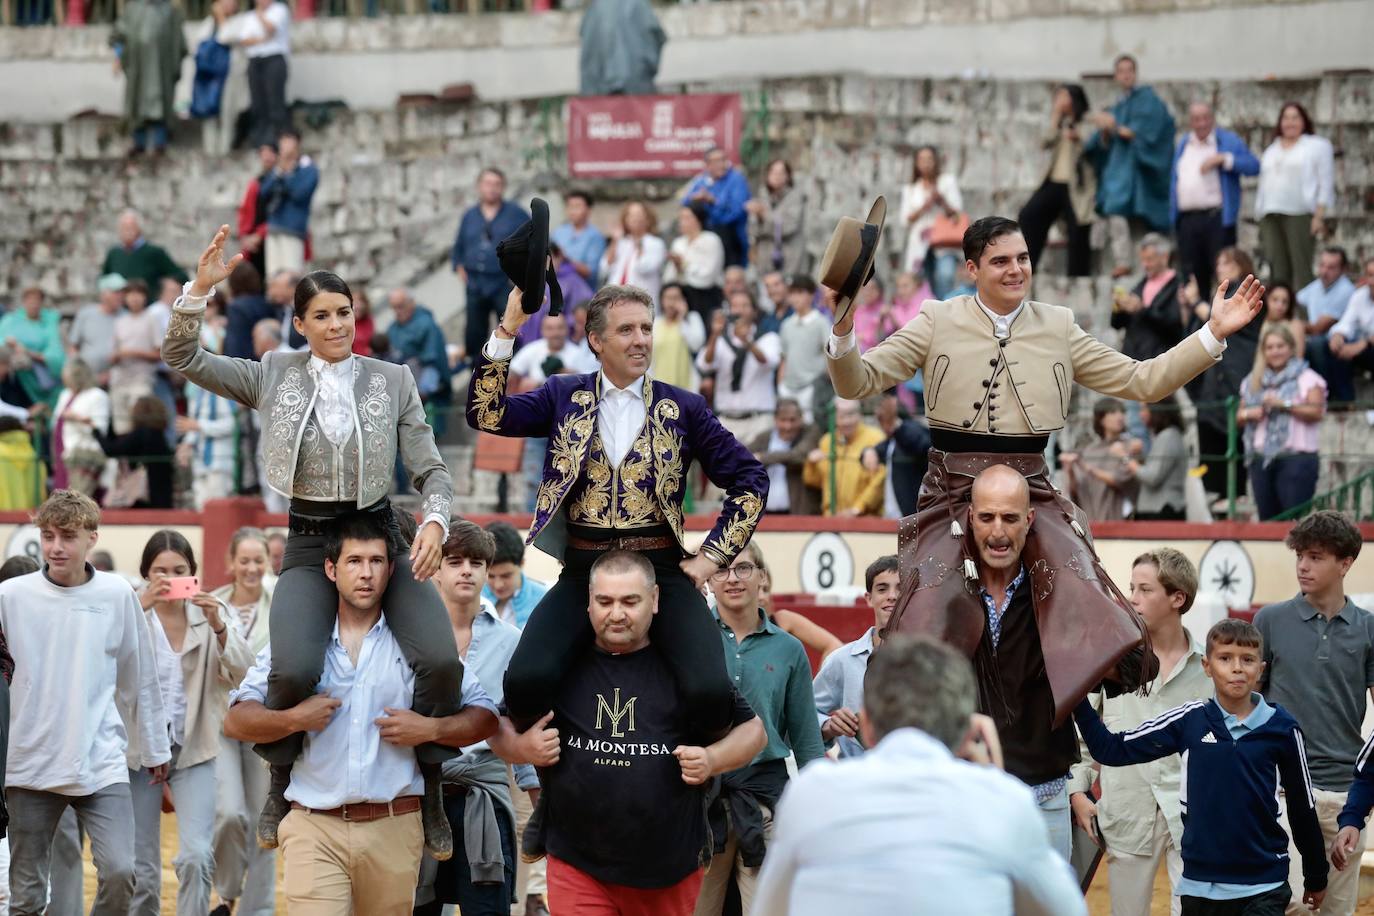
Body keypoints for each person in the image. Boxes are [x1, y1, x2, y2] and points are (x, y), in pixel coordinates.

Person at [164, 226, 465, 859]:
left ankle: (432, 783)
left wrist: (435, 520)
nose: (336, 325)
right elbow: (183, 358)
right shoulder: (272, 373)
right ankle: (280, 779)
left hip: (381, 533)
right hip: (307, 541)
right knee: (294, 667)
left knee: (438, 659)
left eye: (345, 312)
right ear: (299, 324)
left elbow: (432, 470)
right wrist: (199, 291)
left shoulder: (393, 378)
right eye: (322, 316)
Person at [467, 282, 768, 751]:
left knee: (711, 694)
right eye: (626, 330)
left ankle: (696, 777)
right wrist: (509, 326)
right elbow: (486, 414)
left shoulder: (684, 407)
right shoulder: (563, 396)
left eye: (646, 328)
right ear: (596, 340)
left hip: (662, 572)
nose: (641, 339)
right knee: (525, 684)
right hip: (584, 569)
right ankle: (569, 764)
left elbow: (750, 480)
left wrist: (711, 558)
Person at [224, 512, 499, 916]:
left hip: (394, 824)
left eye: (375, 562)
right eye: (354, 562)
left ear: (392, 569)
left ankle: (432, 799)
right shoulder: (302, 640)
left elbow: (486, 717)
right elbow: (235, 720)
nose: (366, 574)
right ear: (331, 569)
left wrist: (430, 728)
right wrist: (294, 719)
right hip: (313, 823)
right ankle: (276, 791)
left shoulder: (418, 643)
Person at [489, 550, 767, 916]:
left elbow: (755, 732)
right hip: (577, 865)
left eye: (629, 601)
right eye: (604, 601)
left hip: (669, 871)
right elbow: (496, 727)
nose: (616, 614)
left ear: (654, 601)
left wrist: (712, 759)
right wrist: (523, 748)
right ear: (587, 602)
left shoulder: (684, 668)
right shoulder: (559, 664)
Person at [753, 635, 1087, 916]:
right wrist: (995, 784)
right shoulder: (1003, 802)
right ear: (965, 732)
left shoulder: (812, 794)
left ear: (865, 726)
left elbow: (771, 908)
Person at [1075, 618, 1329, 916]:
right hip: (1199, 886)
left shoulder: (1283, 728)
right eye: (1225, 658)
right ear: (1207, 667)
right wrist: (1076, 693)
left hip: (1264, 884)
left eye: (1247, 660)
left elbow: (1302, 806)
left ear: (1261, 669)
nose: (1237, 668)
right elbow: (1112, 749)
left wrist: (1315, 874)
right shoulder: (1189, 721)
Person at [1, 489, 171, 916]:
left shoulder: (118, 594)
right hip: (28, 765)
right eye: (49, 535)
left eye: (68, 536)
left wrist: (155, 749)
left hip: (101, 762)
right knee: (26, 897)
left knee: (120, 872)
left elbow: (141, 678)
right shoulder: (10, 597)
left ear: (92, 537)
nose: (56, 547)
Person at [1070, 549, 1209, 916]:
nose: (1132, 598)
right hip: (1126, 813)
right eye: (1132, 588)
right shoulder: (1106, 662)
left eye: (1144, 589)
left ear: (1177, 598)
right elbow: (1080, 738)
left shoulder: (1209, 667)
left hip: (1195, 818)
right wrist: (1077, 793)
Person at [695, 543, 825, 916]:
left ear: (763, 577)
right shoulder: (692, 640)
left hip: (766, 800)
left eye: (744, 568)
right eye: (722, 570)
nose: (732, 579)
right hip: (703, 800)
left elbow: (807, 742)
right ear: (709, 581)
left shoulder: (789, 649)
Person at [1253, 511, 1372, 916]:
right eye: (1300, 555)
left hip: (1345, 794)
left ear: (1346, 563)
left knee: (1338, 910)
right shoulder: (1268, 621)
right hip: (1281, 790)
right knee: (1286, 906)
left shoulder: (1369, 629)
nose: (1303, 565)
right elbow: (1247, 705)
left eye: (1316, 556)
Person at [129, 530, 252, 916]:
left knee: (197, 857)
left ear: (193, 573)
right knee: (141, 867)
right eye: (159, 571)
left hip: (194, 747)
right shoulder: (128, 609)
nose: (168, 579)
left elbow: (245, 674)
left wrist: (218, 625)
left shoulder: (212, 611)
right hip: (136, 751)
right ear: (146, 575)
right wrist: (137, 609)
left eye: (178, 570)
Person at [415, 519, 532, 916]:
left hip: (484, 792)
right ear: (435, 570)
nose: (467, 569)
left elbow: (523, 720)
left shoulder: (512, 641)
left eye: (476, 562)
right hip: (418, 793)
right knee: (417, 906)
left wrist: (538, 803)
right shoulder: (409, 639)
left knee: (488, 909)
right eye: (455, 561)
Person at [210, 527, 276, 916]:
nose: (251, 568)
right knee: (229, 814)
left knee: (264, 824)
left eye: (258, 560)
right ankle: (227, 890)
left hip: (264, 723)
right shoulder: (212, 605)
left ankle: (259, 911)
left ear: (268, 562)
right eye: (244, 560)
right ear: (230, 563)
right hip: (220, 722)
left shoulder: (282, 601)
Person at [1182, 245, 1266, 499]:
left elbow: (1218, 320)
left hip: (1234, 371)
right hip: (1214, 378)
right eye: (1218, 263)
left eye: (1227, 263)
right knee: (1211, 437)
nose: (1221, 268)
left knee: (1233, 436)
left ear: (1242, 265)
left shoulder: (1241, 291)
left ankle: (1231, 495)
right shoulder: (1218, 295)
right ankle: (1217, 494)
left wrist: (1195, 301)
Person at [1085, 54, 1177, 277]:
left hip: (1142, 167)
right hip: (1120, 167)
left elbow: (1147, 132)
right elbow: (1102, 142)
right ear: (1116, 76)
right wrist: (1106, 131)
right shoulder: (1118, 104)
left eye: (1129, 70)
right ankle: (1123, 260)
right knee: (1114, 207)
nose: (1125, 75)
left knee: (1150, 216)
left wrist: (1114, 125)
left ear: (1135, 73)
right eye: (1121, 71)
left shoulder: (1148, 100)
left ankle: (1158, 261)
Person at [811, 555, 899, 760]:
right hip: (853, 778)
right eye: (882, 588)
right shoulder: (843, 660)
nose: (892, 596)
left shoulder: (925, 661)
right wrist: (829, 725)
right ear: (869, 598)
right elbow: (805, 713)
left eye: (900, 588)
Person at [1238, 324, 1326, 520]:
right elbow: (1239, 416)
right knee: (1267, 522)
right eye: (1270, 347)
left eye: (1280, 346)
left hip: (1296, 459)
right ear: (1263, 351)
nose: (1275, 351)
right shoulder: (1252, 381)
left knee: (1294, 522)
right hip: (1261, 458)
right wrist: (1250, 414)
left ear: (1291, 348)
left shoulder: (1308, 378)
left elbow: (1317, 411)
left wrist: (1284, 404)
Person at [1170, 103, 1261, 294]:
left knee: (1224, 272)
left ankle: (1227, 317)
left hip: (1216, 218)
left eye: (1205, 118)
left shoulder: (1227, 141)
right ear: (1190, 122)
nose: (1202, 123)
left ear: (1213, 119)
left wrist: (1224, 159)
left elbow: (1253, 166)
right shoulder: (1184, 144)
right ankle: (1199, 318)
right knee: (1191, 274)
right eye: (1196, 119)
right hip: (1187, 219)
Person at [451, 168, 528, 366]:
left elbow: (532, 244)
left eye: (497, 184)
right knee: (474, 332)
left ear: (503, 187)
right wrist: (460, 269)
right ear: (479, 186)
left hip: (503, 282)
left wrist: (520, 276)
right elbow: (459, 245)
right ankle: (475, 375)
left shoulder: (516, 214)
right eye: (488, 183)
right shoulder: (470, 215)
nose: (492, 189)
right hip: (475, 282)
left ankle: (511, 373)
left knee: (510, 327)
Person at [1255, 102, 1335, 291]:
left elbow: (1326, 182)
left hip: (1299, 213)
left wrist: (1319, 215)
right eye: (1286, 118)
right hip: (1270, 214)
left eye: (1295, 117)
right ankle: (1282, 317)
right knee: (1277, 270)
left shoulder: (1316, 146)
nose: (1290, 122)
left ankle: (1304, 317)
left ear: (1304, 121)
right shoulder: (1272, 149)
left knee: (1302, 269)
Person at [1019, 83, 1095, 276]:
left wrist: (1077, 135)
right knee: (1029, 215)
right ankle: (1028, 267)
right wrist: (1055, 117)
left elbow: (1093, 144)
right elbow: (1044, 142)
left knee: (1078, 226)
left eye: (1064, 96)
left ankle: (1077, 276)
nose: (1059, 100)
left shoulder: (1088, 121)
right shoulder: (1058, 122)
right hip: (1054, 182)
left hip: (1077, 186)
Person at [697, 291, 781, 446]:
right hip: (727, 420)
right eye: (735, 306)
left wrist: (747, 341)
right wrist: (714, 335)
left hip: (759, 420)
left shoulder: (768, 337)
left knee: (756, 469)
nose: (740, 310)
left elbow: (768, 361)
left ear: (754, 311)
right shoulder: (721, 340)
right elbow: (705, 363)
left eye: (745, 306)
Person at [110, 0, 186, 156]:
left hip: (162, 68)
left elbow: (179, 42)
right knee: (137, 103)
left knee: (161, 103)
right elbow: (119, 35)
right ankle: (138, 142)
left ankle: (160, 142)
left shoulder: (169, 10)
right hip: (138, 68)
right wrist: (119, 56)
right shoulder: (132, 9)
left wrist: (174, 64)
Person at [802, 398, 886, 517]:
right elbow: (814, 481)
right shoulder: (827, 441)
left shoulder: (876, 438)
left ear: (860, 414)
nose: (846, 421)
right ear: (833, 418)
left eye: (851, 414)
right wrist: (811, 464)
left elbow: (880, 479)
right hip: (832, 518)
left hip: (865, 518)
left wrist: (857, 508)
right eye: (841, 416)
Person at [899, 145, 965, 297]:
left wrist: (941, 201)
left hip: (945, 240)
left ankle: (944, 312)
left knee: (945, 276)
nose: (926, 163)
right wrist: (925, 206)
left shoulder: (947, 182)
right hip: (920, 242)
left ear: (936, 161)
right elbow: (905, 220)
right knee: (922, 280)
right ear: (916, 163)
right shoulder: (911, 189)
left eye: (929, 159)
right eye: (922, 159)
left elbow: (958, 212)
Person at [1061, 397, 1138, 523]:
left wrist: (1087, 468)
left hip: (1118, 520)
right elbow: (1077, 490)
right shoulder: (1089, 451)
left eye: (1122, 412)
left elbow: (1119, 480)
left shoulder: (1129, 447)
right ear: (1101, 419)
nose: (1120, 417)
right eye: (1113, 412)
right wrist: (1069, 470)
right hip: (1091, 519)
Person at [387, 288, 454, 429]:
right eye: (394, 308)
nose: (398, 311)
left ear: (411, 303)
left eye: (401, 306)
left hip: (425, 379)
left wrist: (419, 391)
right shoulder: (393, 328)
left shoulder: (426, 324)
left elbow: (433, 359)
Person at [1112, 233, 1184, 363]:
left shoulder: (1178, 285)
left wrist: (1142, 309)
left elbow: (1175, 327)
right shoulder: (1140, 285)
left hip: (1159, 363)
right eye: (1143, 260)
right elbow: (1116, 324)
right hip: (1132, 362)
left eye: (1149, 259)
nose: (1145, 265)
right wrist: (1118, 307)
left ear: (1165, 257)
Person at [96, 395, 174, 509]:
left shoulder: (141, 434)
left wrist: (96, 432)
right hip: (162, 494)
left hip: (142, 495)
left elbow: (112, 450)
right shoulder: (161, 435)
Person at [1300, 247, 1358, 400]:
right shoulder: (1318, 285)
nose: (1324, 271)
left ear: (1343, 269)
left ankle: (1328, 394)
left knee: (1315, 344)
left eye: (1331, 267)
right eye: (1322, 265)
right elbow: (1295, 300)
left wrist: (1294, 324)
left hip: (1341, 342)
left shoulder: (1346, 290)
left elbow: (1318, 328)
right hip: (1319, 340)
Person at [259, 130, 318, 278]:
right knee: (272, 277)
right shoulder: (277, 169)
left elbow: (299, 194)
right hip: (273, 229)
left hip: (293, 229)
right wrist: (279, 171)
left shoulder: (308, 169)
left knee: (291, 277)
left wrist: (289, 173)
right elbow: (263, 193)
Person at [748, 399, 821, 516]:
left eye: (793, 420)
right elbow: (743, 457)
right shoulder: (764, 438)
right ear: (775, 420)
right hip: (763, 513)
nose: (788, 426)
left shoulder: (810, 432)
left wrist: (762, 457)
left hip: (797, 512)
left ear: (801, 418)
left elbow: (798, 455)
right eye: (783, 420)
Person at [178, 372, 241, 508]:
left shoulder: (224, 392)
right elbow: (193, 423)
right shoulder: (197, 393)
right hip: (199, 461)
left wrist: (199, 426)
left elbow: (231, 425)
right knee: (200, 505)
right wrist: (187, 444)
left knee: (218, 506)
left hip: (220, 461)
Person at [577, 0, 665, 96]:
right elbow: (655, 35)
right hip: (635, 81)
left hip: (599, 86)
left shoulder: (595, 7)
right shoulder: (638, 4)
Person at [110, 278, 163, 435]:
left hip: (142, 379)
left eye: (138, 294)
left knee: (141, 422)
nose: (134, 298)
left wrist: (133, 352)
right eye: (130, 294)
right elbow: (112, 354)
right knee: (121, 426)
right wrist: (118, 355)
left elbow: (159, 353)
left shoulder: (151, 319)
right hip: (120, 380)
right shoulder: (119, 321)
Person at [683, 147, 751, 269]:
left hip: (731, 238)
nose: (721, 164)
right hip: (706, 239)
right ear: (707, 165)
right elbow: (685, 203)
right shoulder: (702, 180)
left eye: (723, 160)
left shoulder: (736, 179)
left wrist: (713, 201)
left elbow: (738, 211)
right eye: (716, 161)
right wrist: (695, 198)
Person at [866, 390, 930, 519]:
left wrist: (895, 425)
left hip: (912, 517)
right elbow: (875, 451)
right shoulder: (893, 441)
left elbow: (922, 445)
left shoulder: (911, 431)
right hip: (893, 516)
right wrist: (868, 451)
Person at [237, 0, 291, 149]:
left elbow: (271, 29)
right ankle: (261, 142)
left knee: (275, 103)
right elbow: (244, 40)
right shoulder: (249, 16)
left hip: (274, 59)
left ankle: (279, 141)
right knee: (258, 103)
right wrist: (261, 39)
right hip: (255, 61)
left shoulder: (280, 10)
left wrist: (260, 14)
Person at [1124, 395, 1188, 520]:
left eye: (1144, 409)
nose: (1140, 415)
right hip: (1158, 510)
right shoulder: (1167, 435)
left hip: (1162, 511)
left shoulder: (1168, 436)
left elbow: (1152, 477)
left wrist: (1127, 461)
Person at [52, 360, 109, 498]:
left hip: (83, 455)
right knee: (61, 497)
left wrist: (77, 418)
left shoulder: (97, 395)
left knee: (79, 499)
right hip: (63, 453)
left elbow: (100, 430)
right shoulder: (65, 394)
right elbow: (56, 422)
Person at [777, 275, 830, 422]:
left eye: (800, 292)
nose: (795, 298)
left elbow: (830, 355)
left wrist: (821, 383)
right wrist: (780, 385)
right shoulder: (786, 324)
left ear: (812, 295)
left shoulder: (821, 322)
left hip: (810, 387)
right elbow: (784, 357)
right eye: (792, 293)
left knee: (809, 426)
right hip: (787, 387)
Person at [481, 520, 550, 631]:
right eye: (491, 576)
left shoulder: (544, 600)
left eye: (506, 576)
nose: (498, 585)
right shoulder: (474, 596)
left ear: (522, 563)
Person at [0, 287, 64, 405]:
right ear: (24, 302)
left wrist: (27, 352)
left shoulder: (49, 323)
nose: (33, 305)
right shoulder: (10, 321)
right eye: (30, 301)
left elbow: (55, 356)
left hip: (38, 380)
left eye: (37, 301)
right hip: (13, 379)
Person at [748, 158, 808, 277]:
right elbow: (752, 229)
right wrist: (758, 217)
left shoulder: (796, 197)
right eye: (773, 172)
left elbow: (788, 226)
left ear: (788, 176)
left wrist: (764, 215)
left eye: (781, 173)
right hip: (765, 258)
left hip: (789, 259)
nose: (777, 176)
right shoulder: (761, 195)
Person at [1325, 256, 1374, 401]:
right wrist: (1338, 336)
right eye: (1370, 275)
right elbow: (1346, 322)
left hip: (1367, 345)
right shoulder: (1360, 295)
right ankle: (1345, 403)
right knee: (1337, 350)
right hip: (1366, 349)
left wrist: (1363, 344)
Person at [665, 204, 726, 322]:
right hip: (682, 296)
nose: (682, 222)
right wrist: (677, 266)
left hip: (705, 297)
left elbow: (708, 275)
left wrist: (684, 264)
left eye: (687, 218)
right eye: (680, 218)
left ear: (699, 219)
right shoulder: (678, 243)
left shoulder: (711, 240)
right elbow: (670, 276)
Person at [600, 200, 667, 307]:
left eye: (639, 215)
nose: (635, 219)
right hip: (616, 300)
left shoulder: (656, 243)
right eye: (631, 215)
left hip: (641, 301)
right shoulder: (621, 242)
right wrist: (615, 241)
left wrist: (639, 242)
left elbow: (644, 267)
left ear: (647, 219)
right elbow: (605, 267)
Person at [101, 211, 188, 291]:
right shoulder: (114, 253)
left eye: (130, 228)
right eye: (123, 228)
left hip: (148, 306)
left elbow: (180, 276)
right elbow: (103, 280)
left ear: (139, 229)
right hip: (121, 307)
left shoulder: (154, 252)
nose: (126, 232)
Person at [648, 283, 706, 392]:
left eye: (676, 298)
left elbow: (696, 345)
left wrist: (682, 318)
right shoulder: (655, 323)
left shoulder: (692, 319)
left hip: (687, 388)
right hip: (659, 389)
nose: (671, 302)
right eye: (668, 298)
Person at [236, 143, 279, 276]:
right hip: (254, 243)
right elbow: (245, 211)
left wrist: (260, 234)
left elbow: (280, 213)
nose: (267, 157)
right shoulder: (256, 183)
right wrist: (245, 237)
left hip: (274, 237)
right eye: (263, 152)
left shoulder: (283, 181)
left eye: (270, 152)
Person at [550, 190, 606, 289]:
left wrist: (566, 259)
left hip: (581, 294)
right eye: (570, 206)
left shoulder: (595, 236)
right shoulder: (559, 232)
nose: (573, 211)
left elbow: (590, 272)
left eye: (577, 206)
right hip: (557, 289)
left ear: (588, 210)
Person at [223, 261, 277, 360]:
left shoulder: (236, 307)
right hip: (266, 360)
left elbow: (234, 345)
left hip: (243, 365)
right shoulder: (266, 303)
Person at [1263, 283, 1306, 359]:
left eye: (1285, 302)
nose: (1279, 305)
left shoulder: (1295, 326)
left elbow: (1299, 358)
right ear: (1266, 300)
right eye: (1275, 300)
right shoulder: (1259, 323)